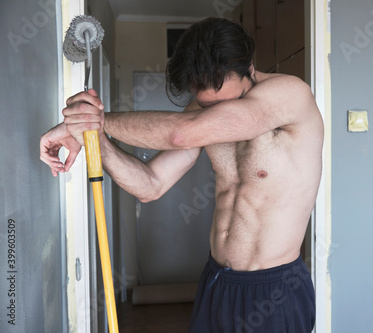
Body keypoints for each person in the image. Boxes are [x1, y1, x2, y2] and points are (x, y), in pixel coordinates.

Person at [41, 18, 323, 332]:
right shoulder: (196, 114)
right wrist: (94, 139)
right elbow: (150, 185)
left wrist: (93, 122)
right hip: (216, 279)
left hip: (272, 290)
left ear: (251, 68)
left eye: (229, 102)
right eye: (206, 106)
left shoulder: (291, 95)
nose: (216, 114)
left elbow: (180, 135)